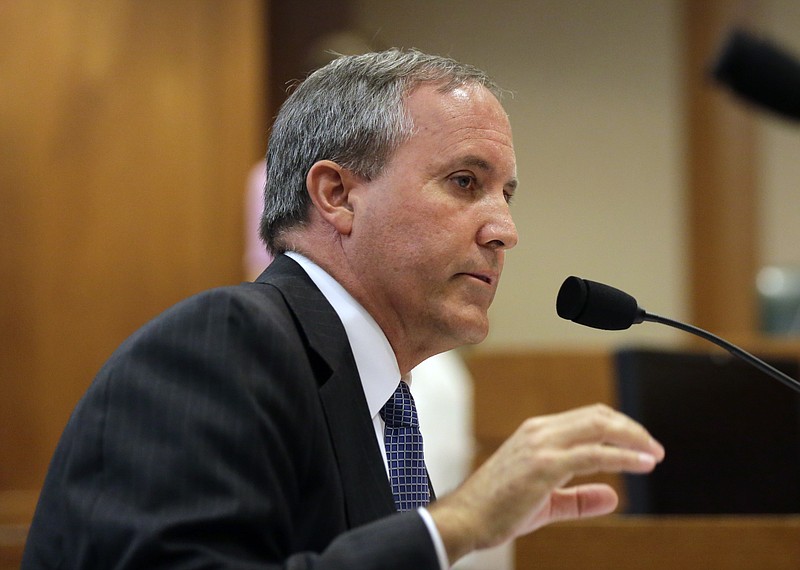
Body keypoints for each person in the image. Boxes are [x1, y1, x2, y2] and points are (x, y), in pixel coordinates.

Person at [22, 49, 665, 569]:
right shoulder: (224, 344)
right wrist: (457, 525)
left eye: (506, 194)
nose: (504, 229)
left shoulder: (381, 399)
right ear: (336, 195)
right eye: (465, 182)